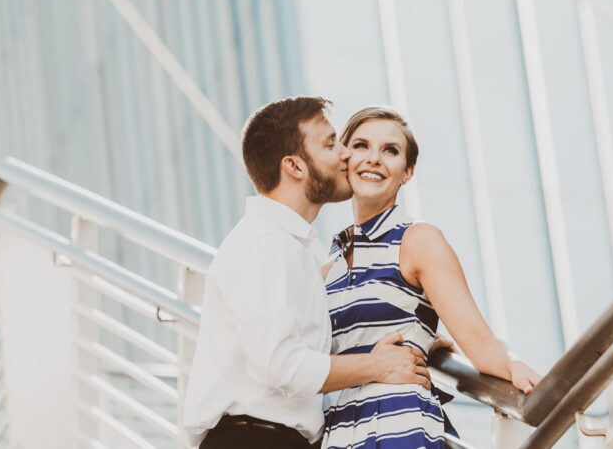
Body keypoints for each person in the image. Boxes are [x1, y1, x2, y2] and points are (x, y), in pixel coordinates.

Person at [183, 96, 434, 449]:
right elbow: (281, 365)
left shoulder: (284, 245)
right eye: (332, 144)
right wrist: (375, 366)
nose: (346, 154)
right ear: (295, 167)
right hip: (255, 440)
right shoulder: (268, 243)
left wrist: (416, 337)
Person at [321, 106, 541, 448]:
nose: (374, 159)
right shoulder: (329, 265)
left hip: (400, 427)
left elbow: (479, 341)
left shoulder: (419, 240)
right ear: (344, 157)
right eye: (362, 145)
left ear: (407, 172)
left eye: (390, 151)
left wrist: (514, 366)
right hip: (340, 434)